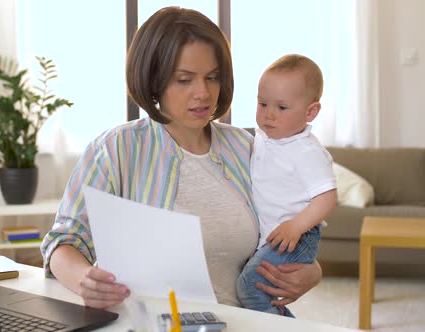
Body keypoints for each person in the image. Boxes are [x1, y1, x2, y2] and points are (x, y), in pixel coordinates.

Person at [41, 7, 322, 310]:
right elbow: (63, 242)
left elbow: (299, 223)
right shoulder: (115, 150)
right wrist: (84, 279)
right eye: (184, 80)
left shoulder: (248, 148)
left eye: (212, 77)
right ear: (153, 81)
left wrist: (313, 272)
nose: (203, 93)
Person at [236, 54, 337, 317]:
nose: (269, 114)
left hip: (298, 235)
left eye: (282, 108)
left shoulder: (306, 151)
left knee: (249, 287)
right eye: (262, 103)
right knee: (254, 289)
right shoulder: (262, 138)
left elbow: (327, 198)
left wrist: (296, 226)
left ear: (310, 112)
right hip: (272, 236)